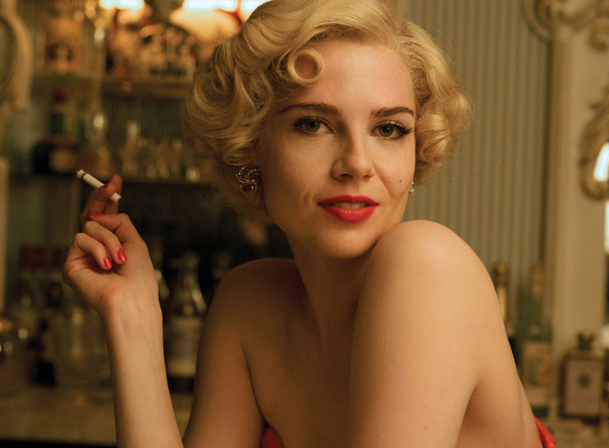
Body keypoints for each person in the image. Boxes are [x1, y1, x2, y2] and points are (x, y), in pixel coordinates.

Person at [63, 0, 555, 447]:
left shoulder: (427, 267)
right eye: (313, 124)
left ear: (417, 147)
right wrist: (133, 320)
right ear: (252, 145)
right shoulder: (249, 306)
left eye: (389, 129)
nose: (357, 164)